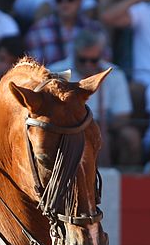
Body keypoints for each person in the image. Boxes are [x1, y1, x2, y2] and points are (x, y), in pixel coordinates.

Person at [49, 28, 140, 167]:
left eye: (93, 60)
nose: (88, 65)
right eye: (82, 60)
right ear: (75, 54)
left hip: (104, 128)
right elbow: (50, 113)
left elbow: (123, 116)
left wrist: (96, 127)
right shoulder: (56, 73)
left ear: (101, 56)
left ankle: (125, 176)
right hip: (67, 129)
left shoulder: (114, 74)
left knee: (130, 136)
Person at [25, 0, 106, 65]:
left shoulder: (94, 29)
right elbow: (34, 68)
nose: (65, 3)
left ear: (80, 1)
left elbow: (104, 63)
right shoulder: (37, 30)